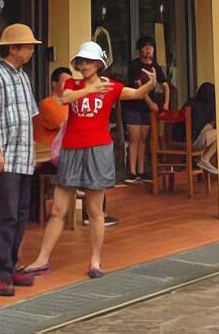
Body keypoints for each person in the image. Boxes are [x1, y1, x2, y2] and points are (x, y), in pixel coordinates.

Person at [20, 40, 155, 279]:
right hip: (71, 149)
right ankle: (42, 259)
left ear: (98, 64)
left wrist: (150, 84)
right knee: (59, 208)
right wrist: (90, 90)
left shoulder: (112, 87)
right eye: (80, 62)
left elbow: (135, 93)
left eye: (87, 61)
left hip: (98, 149)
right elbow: (65, 99)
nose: (82, 65)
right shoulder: (71, 83)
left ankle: (95, 262)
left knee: (95, 210)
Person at [0, 23, 42, 297]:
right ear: (13, 49)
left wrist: (34, 152)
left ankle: (12, 264)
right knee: (6, 215)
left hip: (23, 156)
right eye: (27, 46)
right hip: (5, 155)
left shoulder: (23, 77)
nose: (30, 51)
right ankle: (1, 273)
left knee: (21, 215)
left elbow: (30, 117)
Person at [122, 36, 171, 184]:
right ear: (140, 49)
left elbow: (165, 85)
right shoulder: (135, 65)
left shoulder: (156, 66)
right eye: (145, 46)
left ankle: (141, 171)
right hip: (134, 105)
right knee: (134, 138)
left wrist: (166, 103)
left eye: (151, 46)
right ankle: (132, 171)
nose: (148, 49)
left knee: (144, 138)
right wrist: (151, 104)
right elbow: (138, 87)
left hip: (147, 108)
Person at [186, 81, 218, 175]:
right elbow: (200, 129)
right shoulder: (207, 108)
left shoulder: (190, 103)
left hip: (179, 141)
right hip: (192, 142)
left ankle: (202, 160)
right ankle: (205, 159)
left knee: (209, 127)